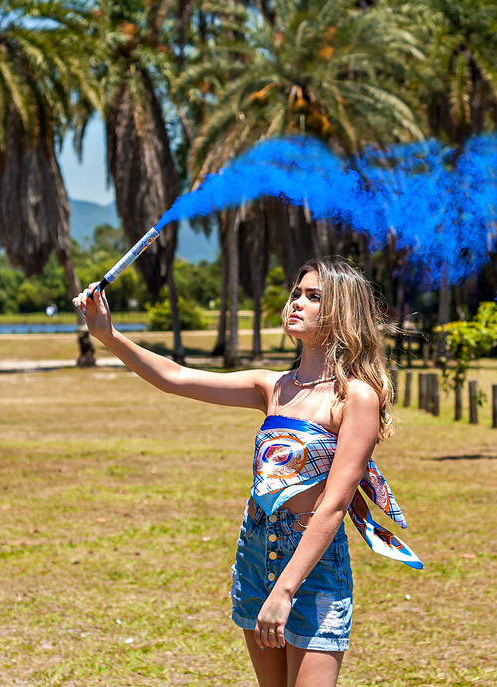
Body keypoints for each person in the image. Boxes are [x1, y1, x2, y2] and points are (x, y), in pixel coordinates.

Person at [73, 257, 420, 687]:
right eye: (297, 293)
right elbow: (175, 377)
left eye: (314, 297)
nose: (297, 302)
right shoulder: (273, 387)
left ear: (341, 311)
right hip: (257, 551)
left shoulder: (355, 398)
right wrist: (108, 335)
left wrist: (285, 590)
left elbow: (334, 505)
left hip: (311, 568)